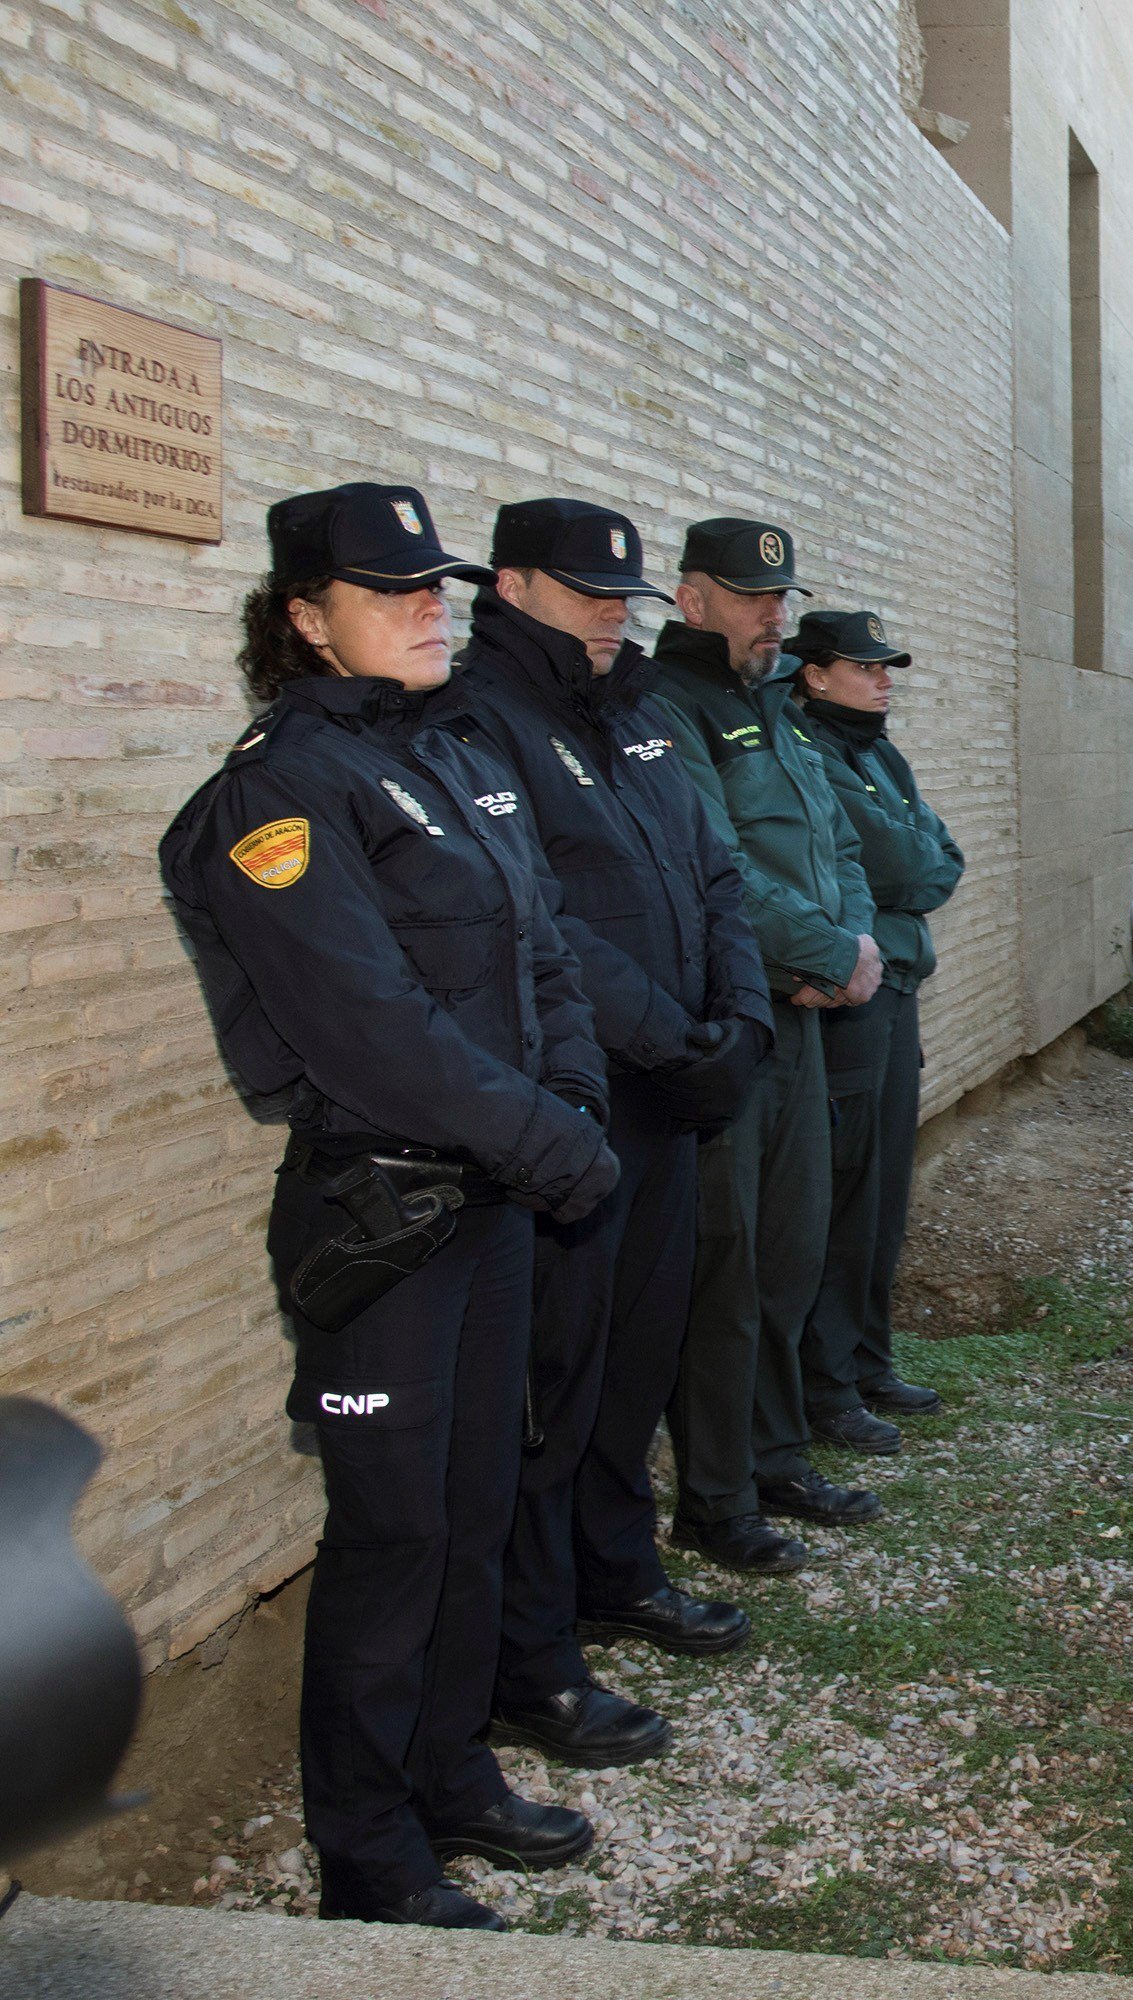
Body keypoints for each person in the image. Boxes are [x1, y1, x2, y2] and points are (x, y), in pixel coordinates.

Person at [160, 484, 621, 1929]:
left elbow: (539, 954)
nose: (432, 606)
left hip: (490, 1201)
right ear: (303, 618)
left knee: (475, 1505)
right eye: (391, 588)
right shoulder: (278, 792)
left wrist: (570, 1112)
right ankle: (368, 1853)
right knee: (391, 1539)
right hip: (386, 1223)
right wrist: (553, 1140)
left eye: (437, 585)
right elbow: (368, 1028)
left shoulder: (443, 751)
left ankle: (450, 1773)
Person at [438, 499, 777, 1770]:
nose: (605, 613)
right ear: (511, 583)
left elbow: (715, 872)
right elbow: (541, 924)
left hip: (679, 1087)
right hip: (583, 1098)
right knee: (556, 1379)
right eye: (582, 590)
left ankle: (617, 1567)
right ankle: (536, 1644)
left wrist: (738, 1016)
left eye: (619, 595)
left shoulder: (635, 711)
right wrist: (671, 1042)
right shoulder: (478, 717)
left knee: (636, 1356)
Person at [650, 517, 884, 1572]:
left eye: (780, 599)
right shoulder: (673, 705)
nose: (772, 616)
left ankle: (779, 1453)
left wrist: (857, 941)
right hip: (732, 1017)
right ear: (692, 597)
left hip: (801, 1008)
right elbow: (715, 863)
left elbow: (833, 837)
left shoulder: (775, 706)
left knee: (790, 1247)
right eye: (751, 597)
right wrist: (824, 945)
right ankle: (717, 1492)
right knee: (730, 1263)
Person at [787, 610, 965, 1434]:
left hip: (895, 987)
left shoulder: (876, 750)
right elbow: (893, 863)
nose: (882, 679)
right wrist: (914, 860)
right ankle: (826, 1384)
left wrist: (916, 860)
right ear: (815, 673)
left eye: (885, 666)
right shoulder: (809, 750)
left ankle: (866, 1361)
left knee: (887, 1191)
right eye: (865, 667)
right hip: (853, 997)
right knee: (847, 1195)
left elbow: (940, 860)